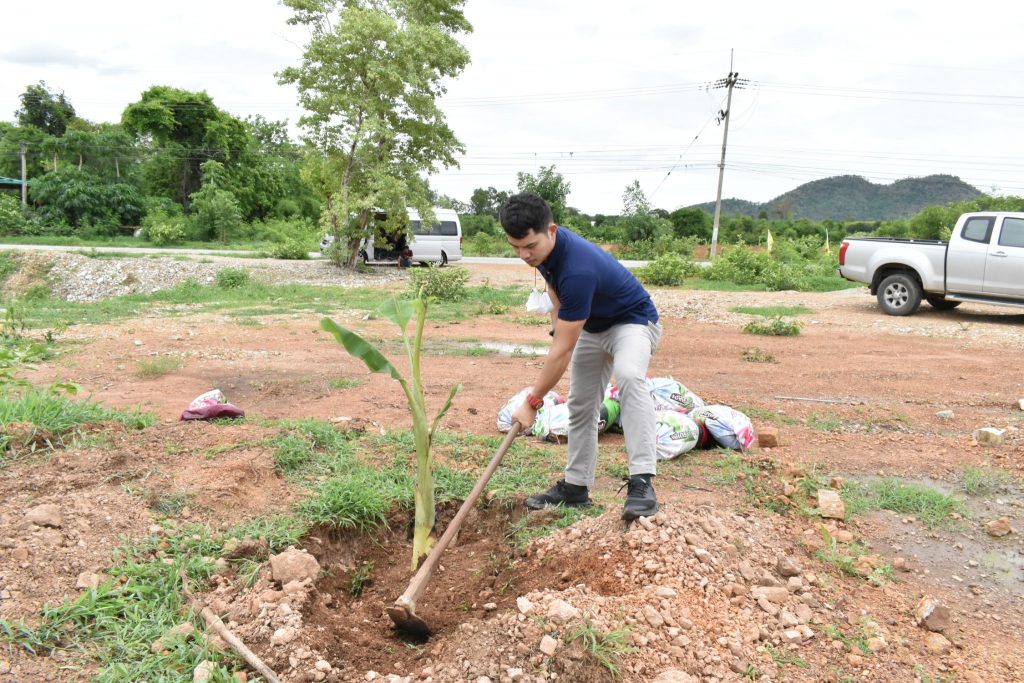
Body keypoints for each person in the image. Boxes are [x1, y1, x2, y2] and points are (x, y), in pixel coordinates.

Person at [500, 192, 663, 521]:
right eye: (515, 247)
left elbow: (562, 352)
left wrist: (532, 402)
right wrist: (556, 326)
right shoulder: (546, 255)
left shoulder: (578, 269)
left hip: (632, 321)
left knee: (630, 376)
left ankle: (643, 484)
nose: (523, 254)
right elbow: (554, 292)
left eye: (530, 246)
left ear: (552, 230)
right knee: (581, 402)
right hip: (593, 325)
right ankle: (576, 488)